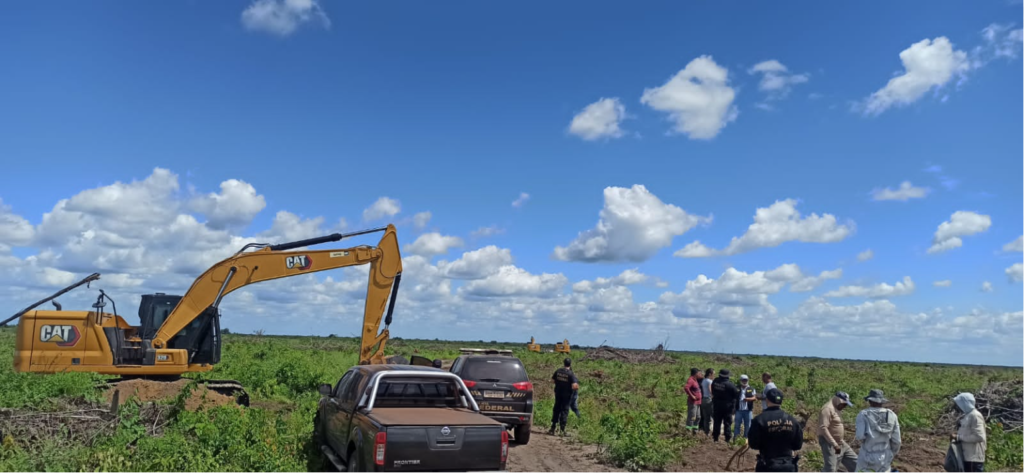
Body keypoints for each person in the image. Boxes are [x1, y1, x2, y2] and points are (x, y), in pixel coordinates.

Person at [748, 387, 803, 472]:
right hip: (788, 466)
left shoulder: (759, 420)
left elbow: (753, 444)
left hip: (767, 465)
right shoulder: (792, 420)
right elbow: (798, 445)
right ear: (781, 401)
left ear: (767, 400)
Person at [854, 389, 901, 473]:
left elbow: (859, 436)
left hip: (867, 455)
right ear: (882, 402)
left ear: (870, 401)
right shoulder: (892, 415)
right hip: (885, 455)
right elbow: (897, 441)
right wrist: (891, 453)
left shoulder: (863, 414)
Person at [818, 392, 857, 472]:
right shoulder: (827, 409)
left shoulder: (837, 408)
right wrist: (834, 444)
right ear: (837, 400)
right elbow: (823, 428)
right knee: (831, 469)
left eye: (846, 405)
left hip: (840, 442)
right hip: (829, 443)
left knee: (856, 463)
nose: (844, 407)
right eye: (843, 404)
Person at [952, 392, 986, 472]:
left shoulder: (975, 416)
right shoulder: (968, 415)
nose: (958, 406)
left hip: (973, 458)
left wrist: (958, 437)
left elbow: (979, 437)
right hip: (967, 456)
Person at [548, 357, 579, 435]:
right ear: (570, 364)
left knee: (556, 409)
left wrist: (559, 384)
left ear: (564, 363)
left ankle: (553, 427)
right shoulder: (571, 374)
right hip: (566, 396)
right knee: (564, 411)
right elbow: (575, 386)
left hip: (558, 394)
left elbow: (552, 381)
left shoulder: (558, 371)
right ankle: (562, 430)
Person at [711, 368, 740, 443]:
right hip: (727, 407)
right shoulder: (730, 385)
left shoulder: (715, 381)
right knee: (727, 423)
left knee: (717, 422)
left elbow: (713, 390)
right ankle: (727, 439)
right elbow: (736, 395)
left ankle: (715, 438)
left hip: (717, 405)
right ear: (727, 376)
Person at [735, 374, 757, 438]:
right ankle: (736, 438)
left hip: (748, 410)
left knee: (748, 425)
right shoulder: (737, 388)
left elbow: (754, 398)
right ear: (740, 380)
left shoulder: (751, 389)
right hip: (738, 410)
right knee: (737, 425)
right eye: (743, 380)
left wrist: (748, 399)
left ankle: (746, 439)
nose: (744, 381)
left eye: (746, 380)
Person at [700, 368, 715, 435]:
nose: (714, 375)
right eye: (713, 374)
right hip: (709, 399)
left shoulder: (703, 380)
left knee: (706, 417)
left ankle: (706, 432)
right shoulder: (710, 381)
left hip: (703, 399)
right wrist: (713, 396)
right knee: (713, 416)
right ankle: (715, 432)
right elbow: (710, 389)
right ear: (710, 374)